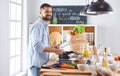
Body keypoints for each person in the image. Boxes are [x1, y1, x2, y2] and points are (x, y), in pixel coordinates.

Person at [28, 3, 64, 76]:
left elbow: (42, 44)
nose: (49, 14)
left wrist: (53, 47)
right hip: (36, 65)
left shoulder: (44, 25)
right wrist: (55, 51)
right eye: (46, 11)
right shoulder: (38, 26)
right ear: (40, 12)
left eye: (50, 12)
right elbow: (37, 46)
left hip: (42, 64)